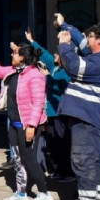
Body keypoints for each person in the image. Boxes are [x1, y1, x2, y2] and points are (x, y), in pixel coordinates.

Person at [56, 23, 100, 200]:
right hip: (90, 118)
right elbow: (82, 43)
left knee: (82, 161)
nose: (86, 39)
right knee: (93, 162)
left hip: (88, 118)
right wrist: (65, 25)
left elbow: (73, 66)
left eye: (90, 36)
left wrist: (64, 45)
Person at [0, 42, 52, 200]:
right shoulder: (14, 72)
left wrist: (31, 126)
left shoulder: (35, 76)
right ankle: (21, 193)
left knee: (29, 158)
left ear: (23, 57)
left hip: (28, 124)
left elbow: (38, 102)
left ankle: (44, 193)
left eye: (15, 53)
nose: (12, 55)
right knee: (19, 159)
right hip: (14, 123)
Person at [25, 30, 74, 182]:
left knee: (62, 142)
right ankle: (59, 170)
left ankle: (67, 172)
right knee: (53, 143)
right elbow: (44, 54)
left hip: (61, 112)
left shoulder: (66, 72)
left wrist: (48, 77)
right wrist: (32, 41)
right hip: (51, 113)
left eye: (58, 55)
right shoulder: (55, 67)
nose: (54, 56)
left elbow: (60, 86)